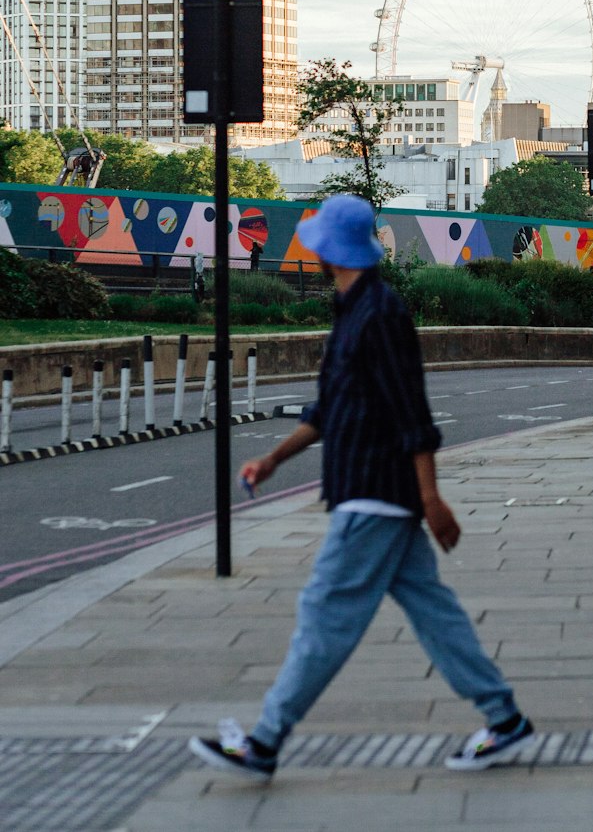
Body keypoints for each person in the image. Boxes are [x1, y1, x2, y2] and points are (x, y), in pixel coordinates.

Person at [188, 194, 535, 781]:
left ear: (330, 250)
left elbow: (411, 413)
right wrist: (273, 459)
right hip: (372, 491)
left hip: (376, 493)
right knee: (434, 613)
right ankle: (504, 719)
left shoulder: (380, 314)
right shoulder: (350, 308)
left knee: (325, 613)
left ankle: (265, 741)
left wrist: (431, 499)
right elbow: (329, 409)